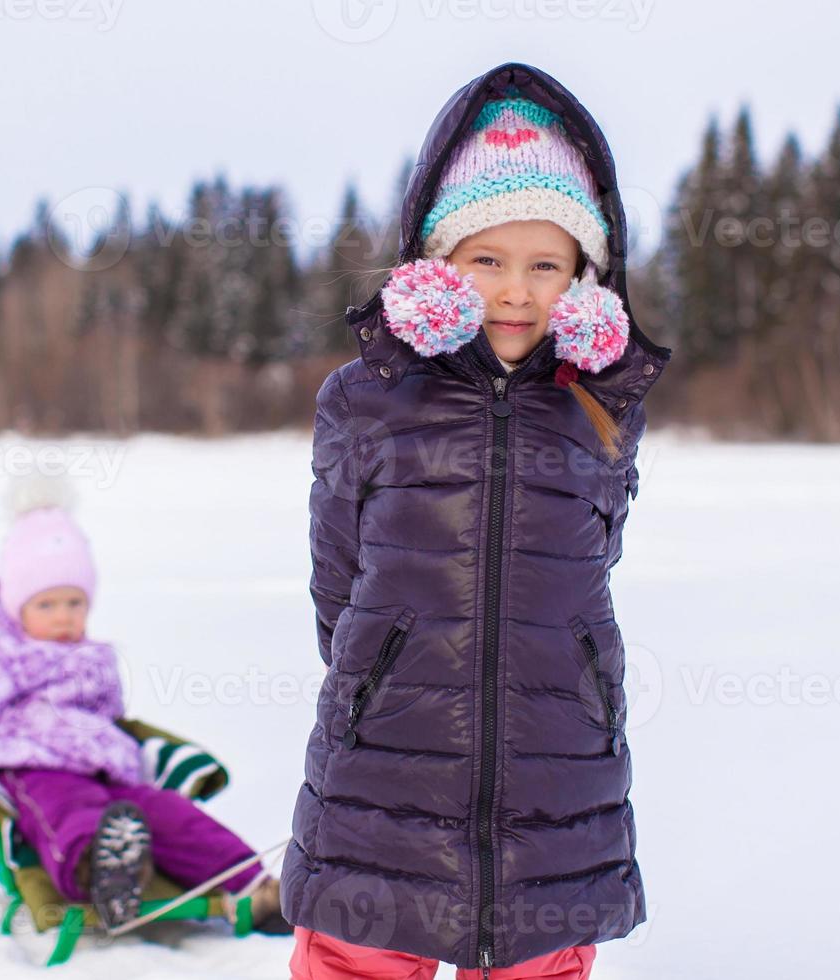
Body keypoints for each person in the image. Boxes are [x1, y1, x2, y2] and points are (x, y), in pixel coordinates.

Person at [281, 62, 672, 979]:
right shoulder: (370, 397)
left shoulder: (597, 408)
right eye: (486, 260)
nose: (515, 290)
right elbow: (335, 573)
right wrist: (380, 674)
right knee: (360, 951)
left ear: (583, 278)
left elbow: (594, 560)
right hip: (386, 755)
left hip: (555, 759)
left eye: (546, 265)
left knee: (539, 957)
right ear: (436, 267)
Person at [0, 476, 289, 935]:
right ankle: (99, 875)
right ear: (15, 606)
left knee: (171, 814)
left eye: (75, 603)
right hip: (33, 768)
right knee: (69, 813)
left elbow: (111, 717)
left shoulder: (95, 659)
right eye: (46, 604)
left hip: (107, 771)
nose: (64, 616)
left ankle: (252, 886)